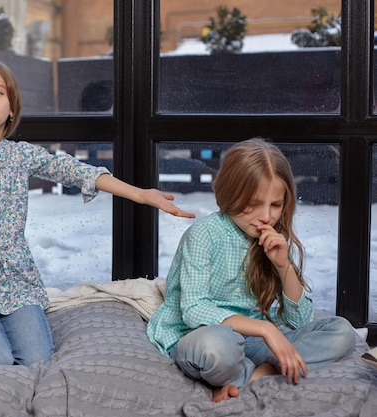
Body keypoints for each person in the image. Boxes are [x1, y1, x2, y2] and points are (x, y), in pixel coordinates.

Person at [0, 59, 195, 366]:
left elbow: (79, 172)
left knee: (38, 359)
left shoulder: (21, 155)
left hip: (16, 281)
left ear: (11, 108)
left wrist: (140, 194)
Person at [147, 138, 357, 402]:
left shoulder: (273, 238)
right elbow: (193, 310)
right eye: (254, 204)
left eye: (276, 205)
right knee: (217, 348)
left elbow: (300, 321)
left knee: (342, 333)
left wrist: (283, 266)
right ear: (230, 193)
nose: (266, 217)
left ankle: (253, 378)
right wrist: (267, 331)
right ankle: (263, 374)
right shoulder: (203, 235)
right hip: (200, 335)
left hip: (252, 341)